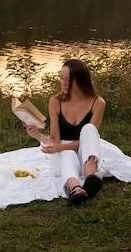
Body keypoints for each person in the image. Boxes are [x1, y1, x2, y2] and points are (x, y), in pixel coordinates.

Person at [25, 58, 106, 205]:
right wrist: (36, 134)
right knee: (67, 153)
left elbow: (89, 140)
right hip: (62, 159)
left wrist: (61, 146)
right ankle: (75, 188)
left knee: (89, 129)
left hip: (85, 157)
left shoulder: (98, 103)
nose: (63, 82)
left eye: (68, 79)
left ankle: (90, 179)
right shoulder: (55, 101)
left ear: (80, 80)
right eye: (61, 78)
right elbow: (56, 141)